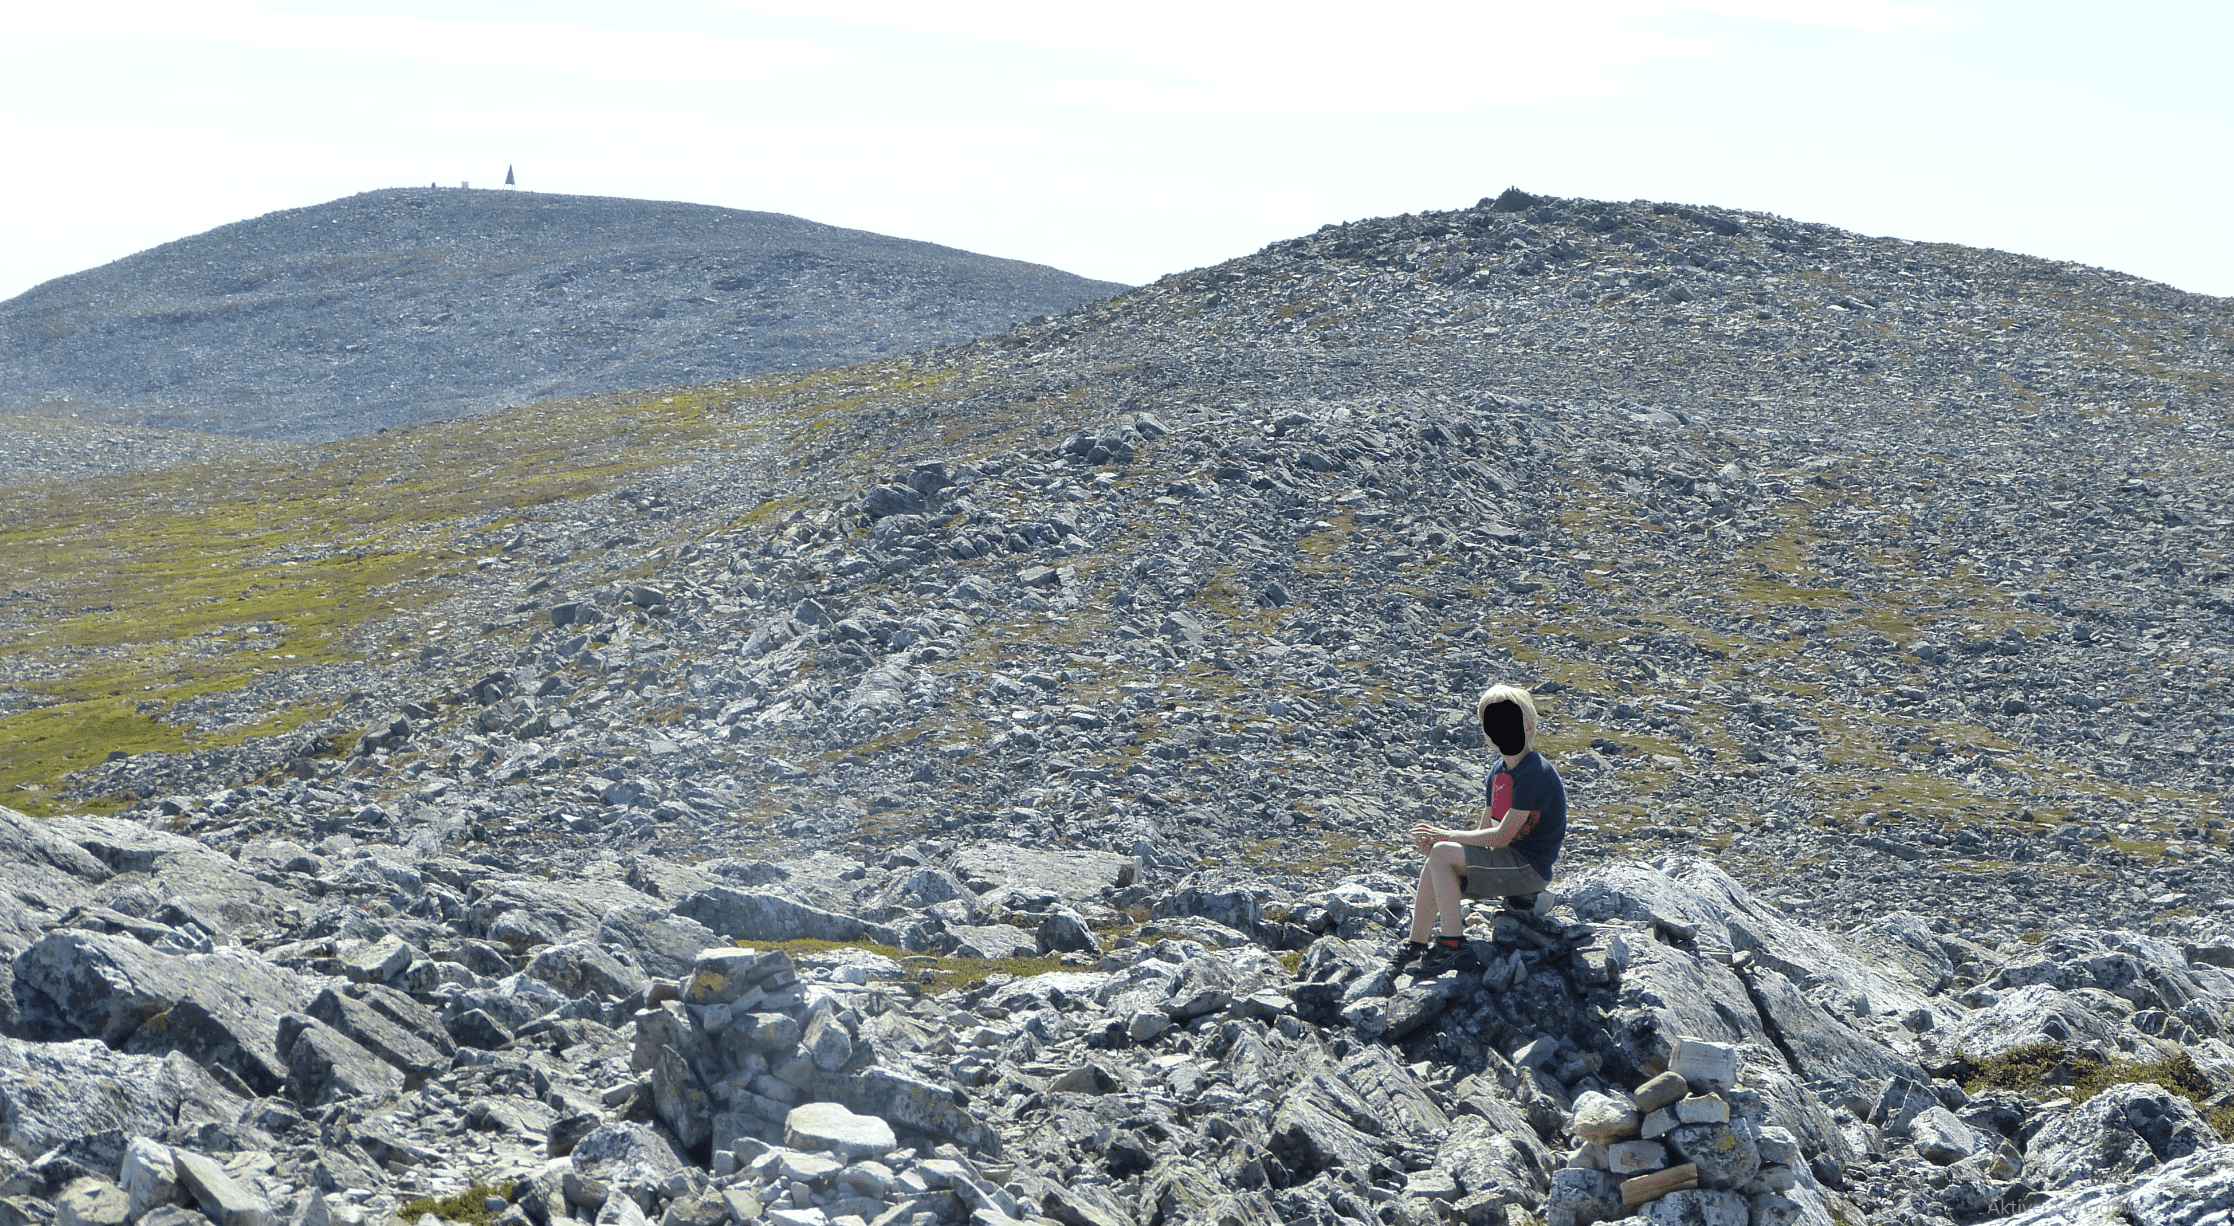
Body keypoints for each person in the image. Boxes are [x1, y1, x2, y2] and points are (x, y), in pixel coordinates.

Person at [1390, 683, 1569, 977]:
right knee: (1437, 859)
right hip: (1505, 863)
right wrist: (1442, 848)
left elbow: (1502, 836)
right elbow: (1485, 832)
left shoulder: (1534, 772)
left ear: (1528, 725)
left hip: (1529, 870)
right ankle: (1416, 944)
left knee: (1442, 852)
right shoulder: (1498, 773)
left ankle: (1453, 946)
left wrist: (1445, 838)